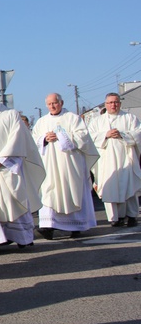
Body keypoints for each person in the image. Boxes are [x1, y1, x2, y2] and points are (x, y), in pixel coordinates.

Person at [0, 83, 45, 254]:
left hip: (7, 167)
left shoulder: (11, 115)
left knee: (14, 200)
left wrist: (0, 160)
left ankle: (23, 238)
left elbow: (17, 139)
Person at [32, 93, 99, 238]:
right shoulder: (42, 122)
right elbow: (34, 140)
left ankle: (76, 226)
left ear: (61, 103)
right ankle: (48, 227)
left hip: (70, 166)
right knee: (49, 192)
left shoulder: (73, 119)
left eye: (55, 103)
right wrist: (44, 138)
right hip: (49, 166)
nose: (52, 106)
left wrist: (61, 136)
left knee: (72, 191)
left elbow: (83, 137)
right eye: (49, 104)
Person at [87, 93, 141, 227]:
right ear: (105, 104)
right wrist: (105, 134)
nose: (113, 105)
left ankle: (132, 215)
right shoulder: (97, 121)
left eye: (116, 102)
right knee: (110, 187)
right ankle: (115, 218)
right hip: (107, 160)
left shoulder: (130, 118)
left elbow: (138, 133)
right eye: (110, 102)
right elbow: (90, 137)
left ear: (120, 103)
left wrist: (122, 135)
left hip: (127, 158)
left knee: (130, 186)